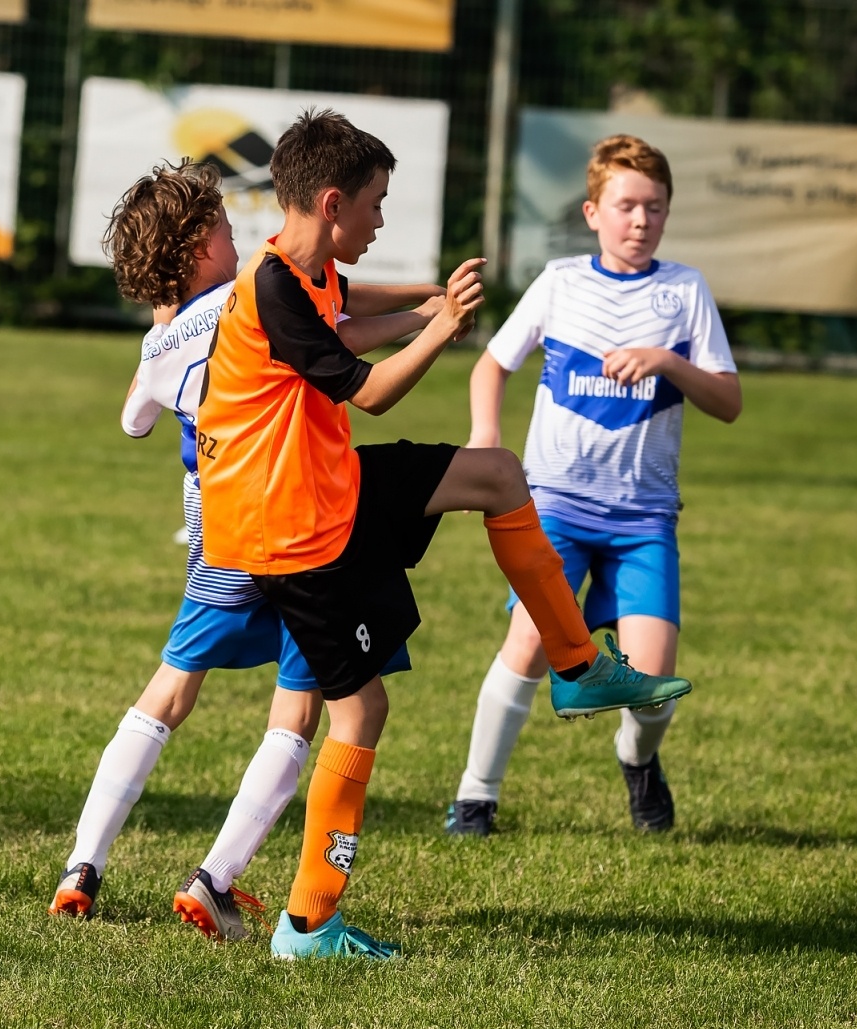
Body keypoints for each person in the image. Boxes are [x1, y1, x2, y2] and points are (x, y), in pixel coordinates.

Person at [195, 110, 695, 961]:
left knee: (497, 473)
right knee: (362, 710)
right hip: (290, 536)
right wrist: (437, 326)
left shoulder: (305, 273)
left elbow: (348, 312)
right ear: (330, 202)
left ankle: (576, 667)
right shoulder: (271, 286)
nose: (381, 220)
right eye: (376, 205)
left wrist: (427, 296)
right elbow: (369, 387)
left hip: (330, 496)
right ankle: (309, 923)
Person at [48, 160, 444, 940]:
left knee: (169, 692)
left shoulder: (162, 341)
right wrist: (427, 310)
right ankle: (214, 879)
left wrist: (164, 332)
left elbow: (134, 421)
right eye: (227, 230)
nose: (240, 239)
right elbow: (338, 327)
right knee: (298, 709)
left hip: (214, 528)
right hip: (287, 514)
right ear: (201, 249)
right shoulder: (255, 295)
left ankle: (82, 865)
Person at [444, 134, 742, 839]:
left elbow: (728, 401)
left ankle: (638, 763)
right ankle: (475, 798)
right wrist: (487, 436)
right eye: (628, 206)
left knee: (654, 680)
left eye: (656, 208)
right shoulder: (560, 282)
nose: (642, 221)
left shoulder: (683, 291)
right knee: (527, 644)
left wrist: (668, 360)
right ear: (592, 211)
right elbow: (490, 365)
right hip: (556, 506)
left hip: (643, 519)